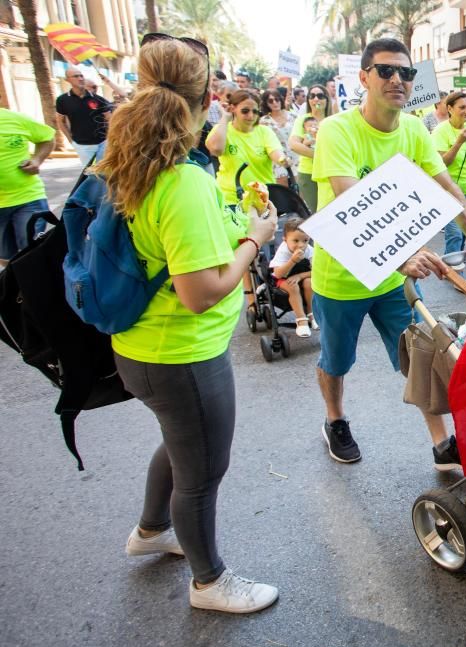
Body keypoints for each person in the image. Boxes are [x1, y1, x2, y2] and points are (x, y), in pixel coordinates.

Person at [95, 34, 279, 613]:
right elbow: (200, 292)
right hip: (182, 354)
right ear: (206, 104)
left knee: (180, 447)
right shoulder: (183, 181)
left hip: (142, 348)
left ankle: (151, 531)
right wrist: (256, 237)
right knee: (202, 470)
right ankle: (210, 582)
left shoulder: (133, 163)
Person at [309, 37, 466, 465]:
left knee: (418, 355)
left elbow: (446, 185)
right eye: (386, 71)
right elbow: (349, 203)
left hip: (395, 278)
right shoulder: (336, 131)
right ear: (364, 78)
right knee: (336, 362)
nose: (398, 79)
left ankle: (441, 442)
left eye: (406, 72)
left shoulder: (414, 129)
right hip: (341, 278)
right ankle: (335, 418)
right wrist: (399, 257)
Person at [205, 90, 288, 207]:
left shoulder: (264, 131)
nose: (251, 116)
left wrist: (283, 159)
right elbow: (216, 150)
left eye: (255, 112)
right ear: (233, 108)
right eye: (245, 111)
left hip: (262, 198)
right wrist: (225, 117)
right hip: (231, 199)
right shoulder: (222, 129)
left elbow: (275, 153)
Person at [432, 91, 466, 256]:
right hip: (448, 191)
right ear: (449, 108)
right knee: (454, 234)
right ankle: (454, 272)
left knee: (463, 232)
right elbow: (441, 163)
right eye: (462, 107)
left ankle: (456, 261)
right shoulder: (441, 131)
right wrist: (458, 143)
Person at [0, 108, 54, 268]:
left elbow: (47, 137)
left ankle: (37, 290)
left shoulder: (13, 118)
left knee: (32, 253)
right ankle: (17, 288)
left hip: (28, 198)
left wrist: (36, 159)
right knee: (5, 256)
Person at [269, 217, 317, 337]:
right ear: (285, 240)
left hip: (301, 276)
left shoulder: (309, 250)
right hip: (283, 279)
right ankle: (301, 320)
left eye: (305, 240)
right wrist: (292, 260)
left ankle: (312, 314)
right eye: (295, 241)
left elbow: (317, 270)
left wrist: (300, 276)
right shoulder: (283, 251)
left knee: (309, 282)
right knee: (293, 287)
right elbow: (278, 273)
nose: (301, 245)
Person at [288, 85, 333, 212]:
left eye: (320, 96)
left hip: (330, 171)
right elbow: (293, 144)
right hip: (309, 173)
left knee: (331, 211)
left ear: (327, 99)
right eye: (312, 96)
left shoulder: (333, 120)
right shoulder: (303, 119)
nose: (316, 99)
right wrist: (320, 155)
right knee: (315, 214)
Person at [55, 66, 112, 166]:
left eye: (81, 76)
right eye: (76, 76)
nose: (80, 78)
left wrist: (109, 139)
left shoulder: (97, 99)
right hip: (82, 145)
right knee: (91, 173)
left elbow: (109, 119)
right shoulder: (62, 100)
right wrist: (71, 141)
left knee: (106, 171)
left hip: (102, 143)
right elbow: (60, 121)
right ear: (67, 80)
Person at [260, 89, 297, 187]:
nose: (275, 103)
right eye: (270, 101)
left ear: (281, 100)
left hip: (295, 157)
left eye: (277, 99)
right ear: (266, 104)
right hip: (276, 159)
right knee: (283, 192)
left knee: (300, 191)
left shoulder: (293, 116)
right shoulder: (263, 121)